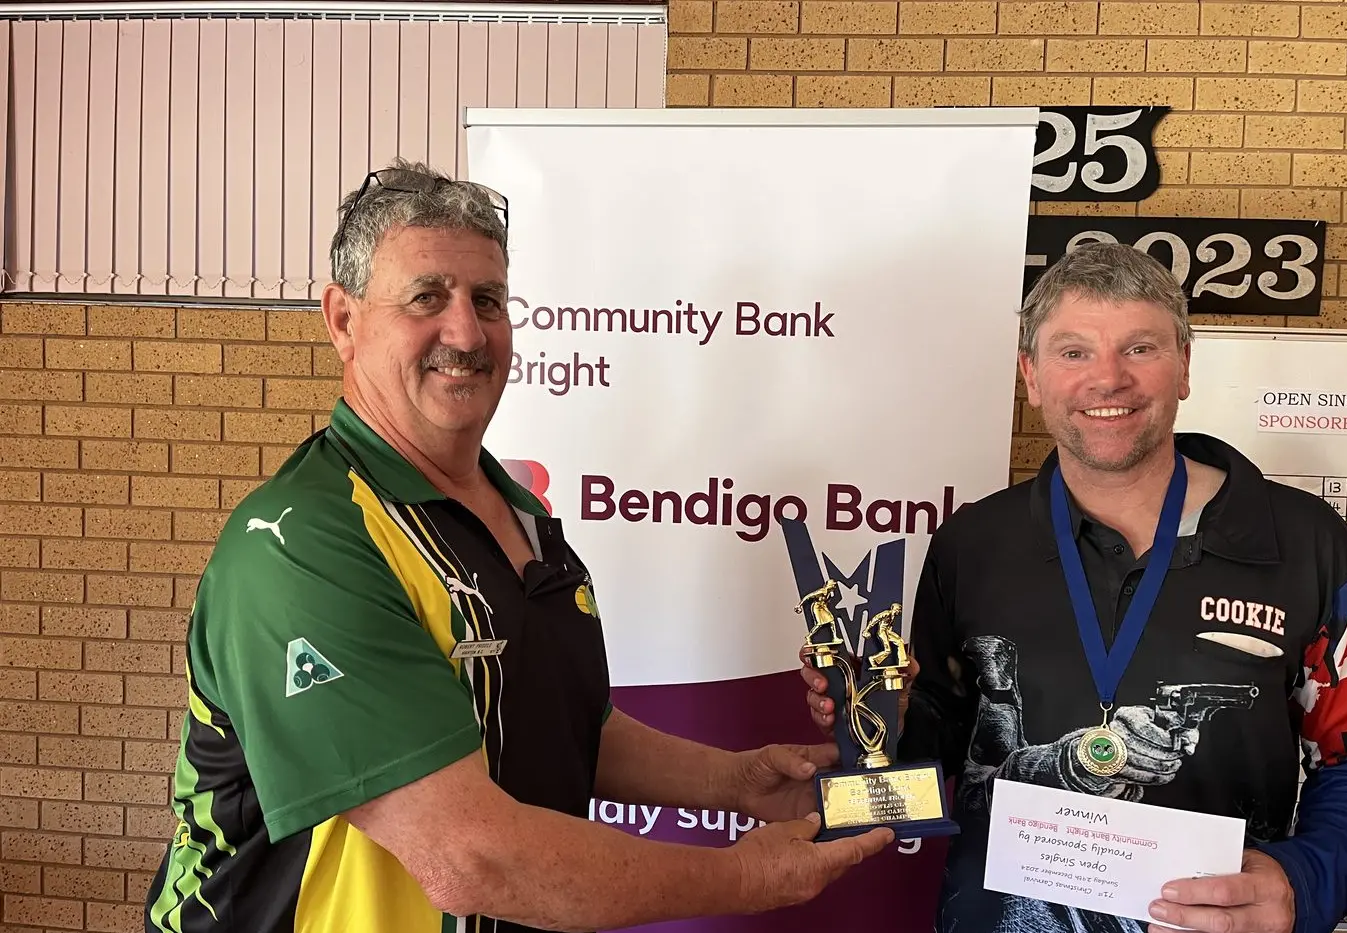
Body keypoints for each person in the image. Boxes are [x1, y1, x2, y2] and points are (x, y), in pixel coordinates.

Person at [144, 158, 892, 933]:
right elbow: (470, 855)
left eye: (488, 300)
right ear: (343, 319)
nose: (465, 332)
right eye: (426, 297)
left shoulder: (522, 515)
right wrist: (744, 876)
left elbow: (555, 724)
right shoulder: (303, 544)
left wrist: (735, 782)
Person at [802, 242, 1347, 933]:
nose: (1107, 379)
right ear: (1031, 374)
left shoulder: (1306, 544)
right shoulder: (972, 545)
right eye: (1073, 352)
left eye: (1139, 348)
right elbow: (940, 757)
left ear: (1183, 366)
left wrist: (1306, 878)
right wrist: (882, 714)